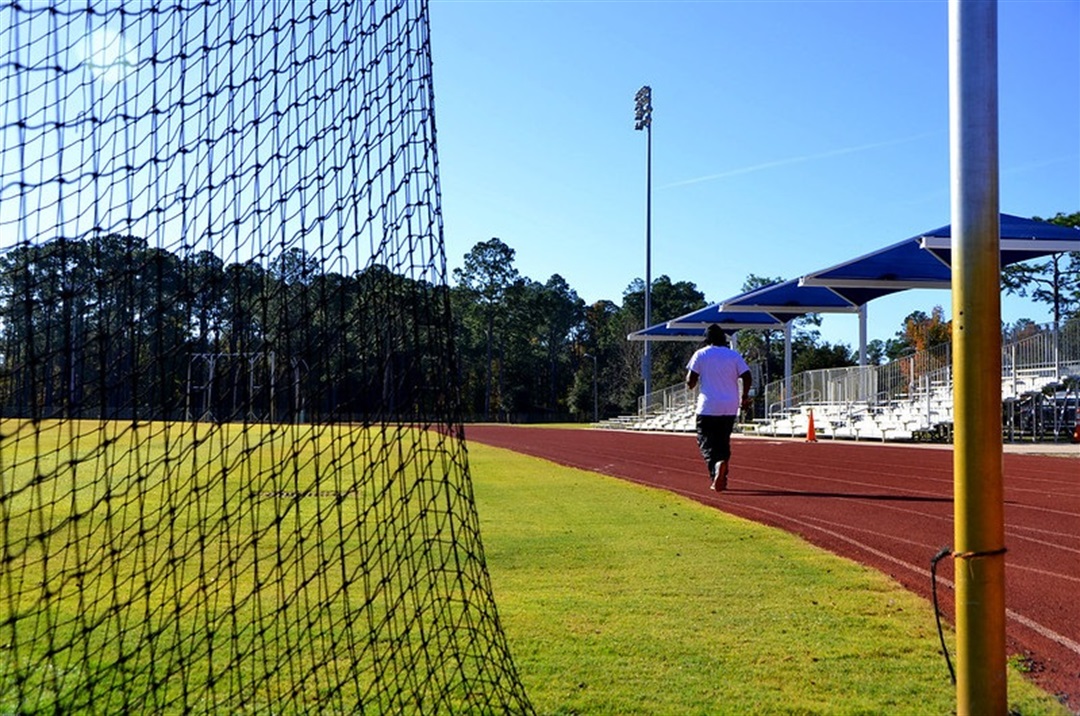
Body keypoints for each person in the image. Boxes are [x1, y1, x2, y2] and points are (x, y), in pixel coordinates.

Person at [685, 324, 752, 491]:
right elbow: (747, 375)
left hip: (708, 406)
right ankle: (721, 476)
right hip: (730, 406)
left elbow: (690, 381)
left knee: (705, 442)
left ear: (707, 339)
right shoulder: (734, 355)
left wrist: (692, 383)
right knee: (723, 441)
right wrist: (744, 397)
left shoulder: (701, 354)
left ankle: (717, 468)